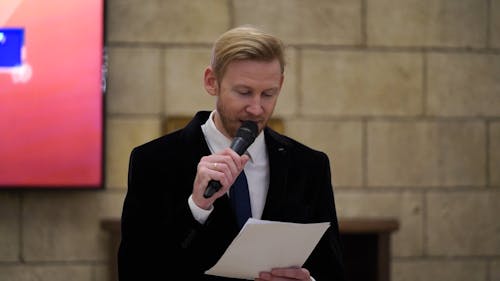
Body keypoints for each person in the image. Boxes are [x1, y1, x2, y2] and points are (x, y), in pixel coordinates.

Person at [118, 25, 345, 281]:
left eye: (269, 94)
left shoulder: (309, 166)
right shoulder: (154, 162)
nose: (257, 109)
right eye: (244, 92)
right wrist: (197, 208)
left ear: (280, 84)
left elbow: (331, 269)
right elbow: (134, 270)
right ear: (211, 81)